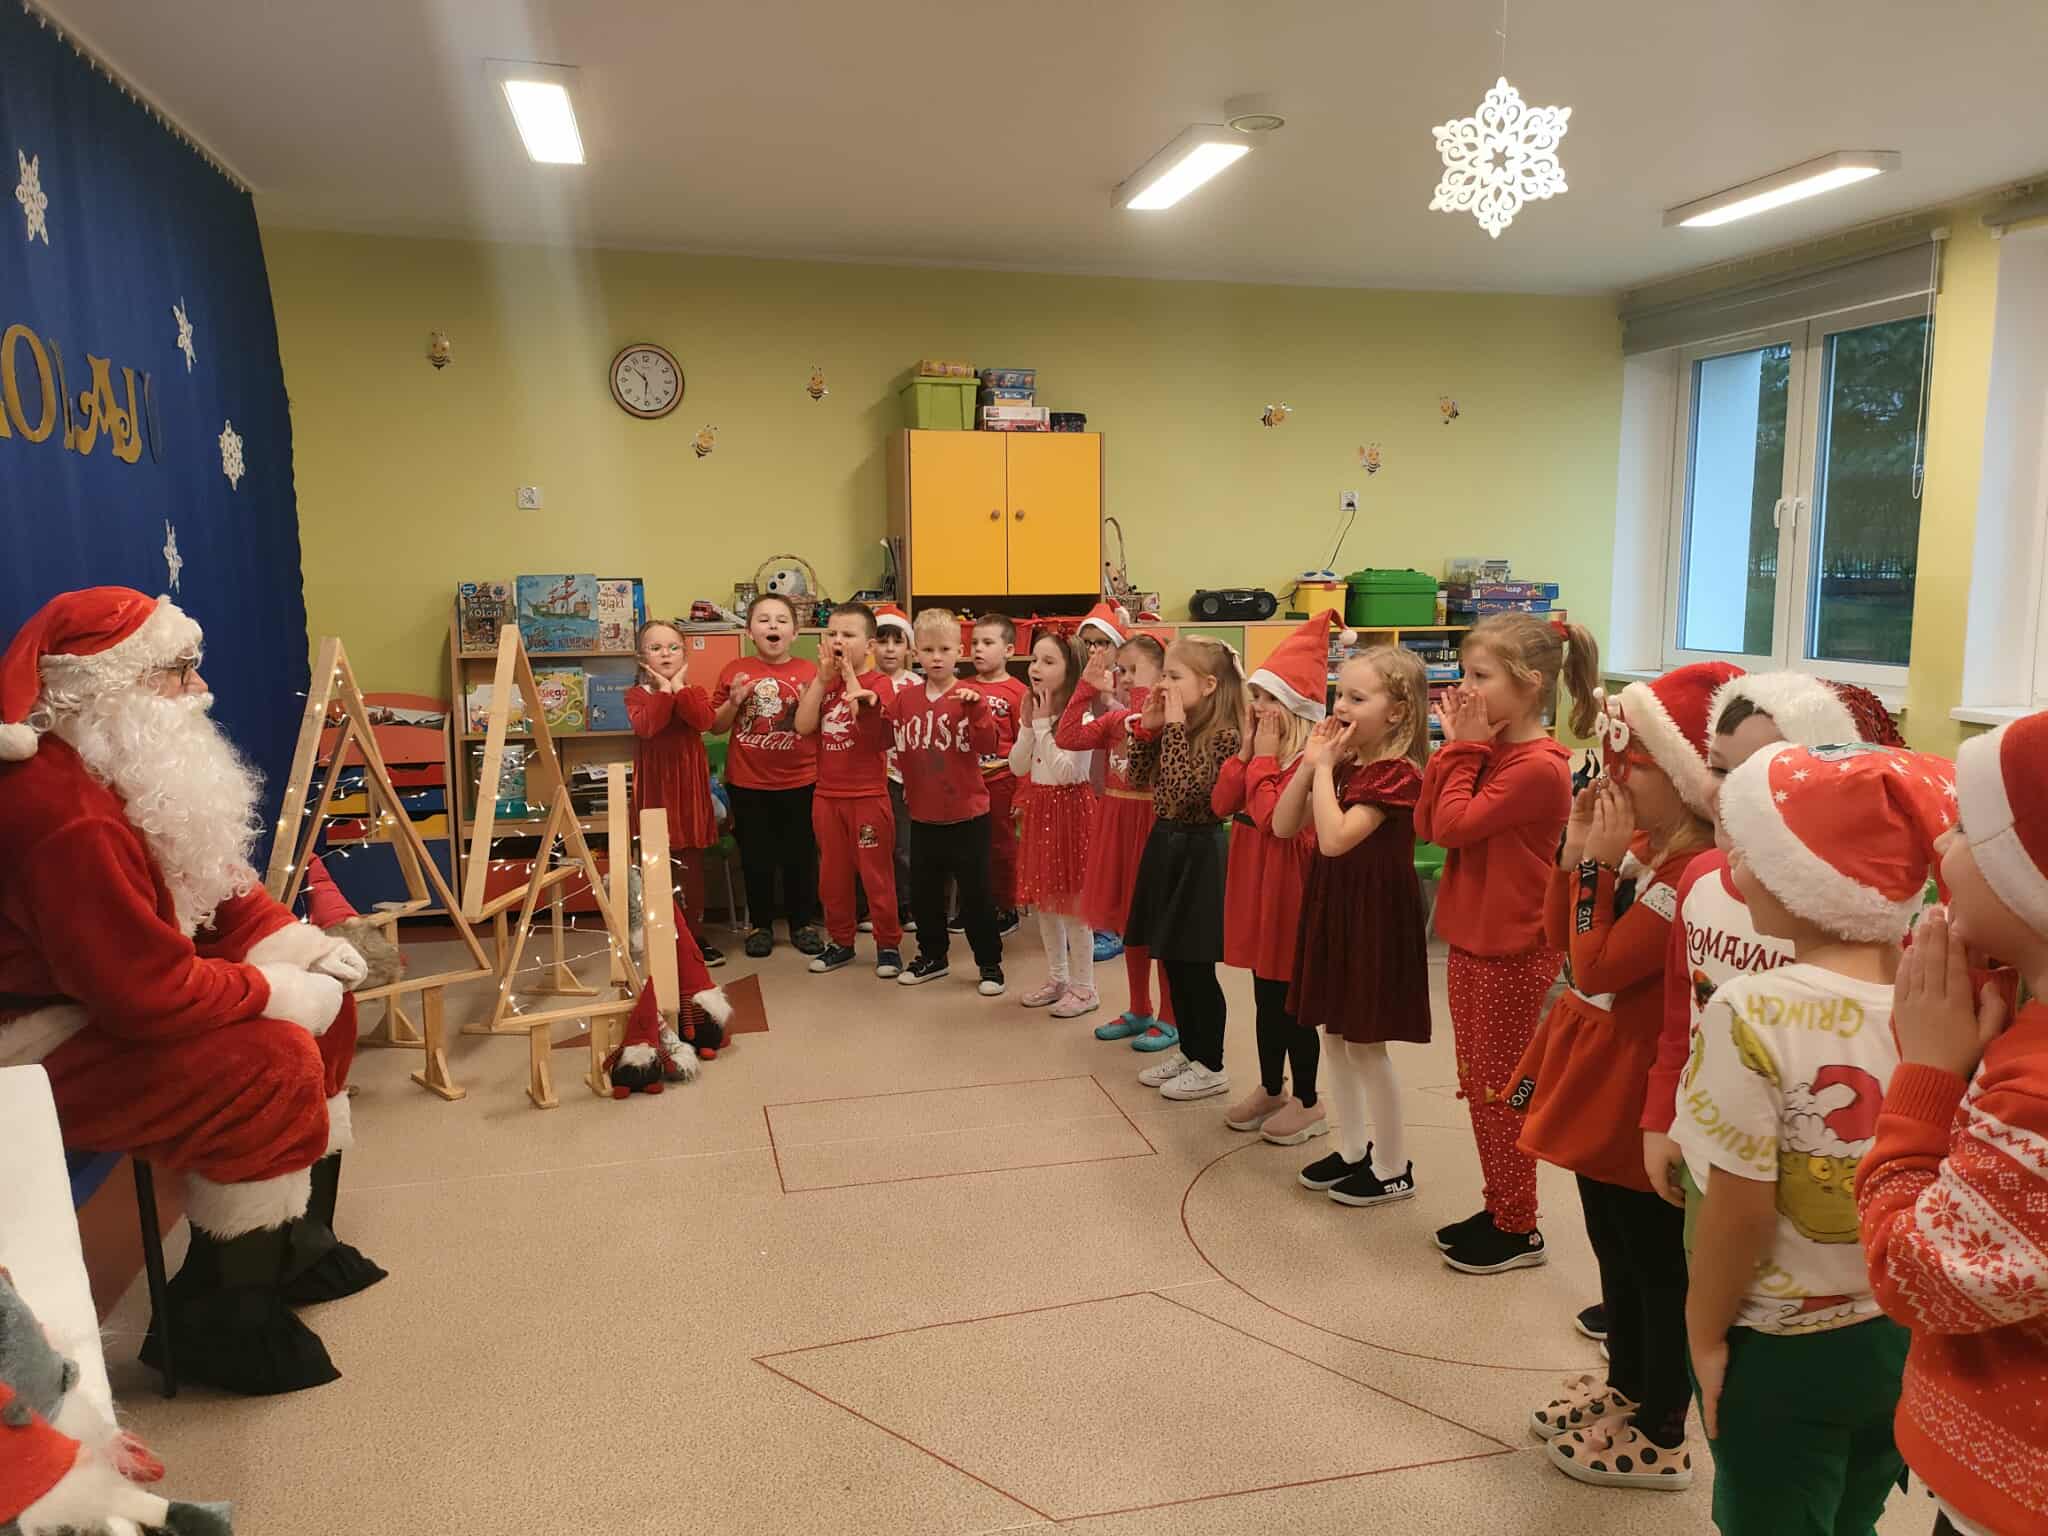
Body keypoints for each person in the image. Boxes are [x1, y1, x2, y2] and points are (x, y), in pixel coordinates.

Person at [0, 587, 382, 1395]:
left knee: (331, 1002)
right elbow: (143, 995)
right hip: (36, 1042)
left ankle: (292, 1243)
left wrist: (305, 952)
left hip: (113, 998)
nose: (199, 689)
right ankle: (217, 1318)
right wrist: (272, 992)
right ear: (104, 691)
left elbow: (226, 893)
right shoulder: (65, 815)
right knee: (266, 1063)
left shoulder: (127, 768)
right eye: (176, 672)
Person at [1670, 740, 1950, 1530]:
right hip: (1902, 1337)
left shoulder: (1749, 1011)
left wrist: (1702, 1333)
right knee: (1857, 1516)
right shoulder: (1942, 1003)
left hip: (1781, 1349)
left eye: (1756, 854)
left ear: (1804, 878)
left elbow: (1739, 1211)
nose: (1737, 868)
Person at [1520, 662, 1736, 1489]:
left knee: (1652, 1262)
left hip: (1641, 1088)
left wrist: (1597, 869)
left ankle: (1662, 1424)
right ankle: (1627, 1383)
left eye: (1629, 767)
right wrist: (1577, 854)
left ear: (1681, 779)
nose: (1609, 782)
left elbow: (1597, 963)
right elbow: (1559, 940)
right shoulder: (1645, 849)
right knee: (1610, 1241)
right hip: (1602, 1074)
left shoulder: (1689, 874)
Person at [1859, 711, 2048, 1536]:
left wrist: (1927, 1081)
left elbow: (1914, 1273)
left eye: (1970, 827)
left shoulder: (2037, 1096)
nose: (1942, 844)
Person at [1645, 675, 1903, 1210]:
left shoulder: (1849, 914)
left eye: (1759, 772)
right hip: (1706, 1144)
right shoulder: (1698, 878)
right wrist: (1662, 1115)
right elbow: (1680, 1017)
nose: (1726, 792)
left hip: (1824, 1165)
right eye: (1719, 768)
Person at [1417, 613, 1589, 1273]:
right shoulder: (1488, 751)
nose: (1465, 688)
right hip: (1473, 941)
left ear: (1530, 684)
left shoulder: (1540, 767)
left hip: (1512, 949)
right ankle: (1499, 1206)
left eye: (1481, 676)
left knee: (1501, 1090)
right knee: (1478, 1082)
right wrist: (1458, 750)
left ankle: (1519, 1226)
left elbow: (1453, 827)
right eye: (1465, 672)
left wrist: (1460, 750)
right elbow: (1428, 822)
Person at [1280, 646, 1433, 1202]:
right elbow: (1283, 824)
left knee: (1366, 1044)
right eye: (1339, 694)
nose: (1340, 706)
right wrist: (1310, 765)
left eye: (1357, 698)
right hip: (1335, 906)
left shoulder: (1397, 774)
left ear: (1397, 712)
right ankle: (1351, 1150)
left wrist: (1324, 770)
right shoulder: (1344, 764)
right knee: (1336, 1036)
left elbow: (1335, 839)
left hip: (1374, 915)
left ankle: (1392, 1165)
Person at [1217, 613, 1332, 1146]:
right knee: (1264, 993)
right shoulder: (1261, 757)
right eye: (1256, 698)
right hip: (1254, 882)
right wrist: (1245, 753)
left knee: (1290, 999)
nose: (1258, 708)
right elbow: (1222, 802)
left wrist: (1260, 760)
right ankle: (1270, 1088)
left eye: (1269, 700)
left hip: (1288, 888)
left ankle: (1308, 1100)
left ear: (1296, 710)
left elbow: (1271, 819)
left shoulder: (1307, 764)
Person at [1125, 637, 1244, 1101]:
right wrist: (1148, 731)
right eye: (1164, 675)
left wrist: (1172, 728)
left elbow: (1186, 794)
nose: (1164, 684)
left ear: (1209, 684)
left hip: (1199, 850)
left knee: (1196, 965)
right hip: (1166, 843)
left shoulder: (1225, 736)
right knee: (1172, 959)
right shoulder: (1179, 729)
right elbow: (1137, 780)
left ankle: (1211, 1064)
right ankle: (1190, 1051)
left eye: (1174, 676)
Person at [1059, 631, 1176, 1046]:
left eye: (1134, 670)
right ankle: (1139, 1008)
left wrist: (1149, 690)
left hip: (1153, 826)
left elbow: (1147, 724)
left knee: (1159, 925)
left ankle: (1171, 1015)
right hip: (1117, 825)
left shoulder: (1170, 723)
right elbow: (1067, 737)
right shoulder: (1114, 722)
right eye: (1121, 670)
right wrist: (1085, 689)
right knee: (1132, 923)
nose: (1124, 678)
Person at [888, 608, 1005, 995]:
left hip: (968, 816)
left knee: (976, 896)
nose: (936, 657)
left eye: (944, 649)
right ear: (915, 654)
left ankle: (989, 963)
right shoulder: (904, 700)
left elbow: (988, 745)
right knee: (924, 895)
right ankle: (933, 956)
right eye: (927, 650)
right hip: (923, 816)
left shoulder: (971, 695)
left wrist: (978, 711)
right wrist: (867, 709)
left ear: (960, 651)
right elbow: (881, 740)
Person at [711, 593, 822, 959]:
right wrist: (734, 701)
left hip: (802, 780)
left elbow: (818, 726)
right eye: (763, 619)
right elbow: (716, 726)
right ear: (749, 631)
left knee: (800, 856)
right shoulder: (735, 670)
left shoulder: (811, 673)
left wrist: (810, 700)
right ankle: (760, 925)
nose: (773, 625)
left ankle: (802, 924)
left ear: (795, 632)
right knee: (756, 857)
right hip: (748, 783)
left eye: (781, 620)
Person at [794, 602, 901, 978]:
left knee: (876, 875)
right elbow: (803, 726)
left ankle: (888, 944)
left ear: (869, 645)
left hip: (868, 796)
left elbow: (867, 727)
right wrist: (822, 680)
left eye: (848, 635)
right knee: (832, 876)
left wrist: (850, 676)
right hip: (827, 796)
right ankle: (840, 941)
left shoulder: (880, 684)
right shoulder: (823, 683)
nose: (838, 641)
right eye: (832, 634)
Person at [626, 618, 724, 967]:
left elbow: (703, 720)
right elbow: (648, 726)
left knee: (692, 870)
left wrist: (679, 688)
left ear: (684, 654)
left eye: (673, 647)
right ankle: (663, 934)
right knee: (656, 867)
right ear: (642, 658)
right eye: (656, 648)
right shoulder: (637, 695)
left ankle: (695, 936)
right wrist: (665, 692)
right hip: (655, 795)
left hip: (689, 795)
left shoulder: (693, 691)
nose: (666, 654)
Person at [1009, 633, 1097, 1016]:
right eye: (1034, 660)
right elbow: (1017, 766)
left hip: (1071, 813)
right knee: (1045, 903)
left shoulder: (1083, 718)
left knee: (1074, 909)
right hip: (1041, 810)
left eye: (1048, 662)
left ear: (1070, 670)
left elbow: (1067, 773)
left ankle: (1085, 989)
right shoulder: (1035, 711)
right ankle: (1058, 978)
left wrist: (1043, 727)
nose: (1036, 668)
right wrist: (1029, 727)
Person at [968, 616, 1027, 937]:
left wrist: (1022, 792)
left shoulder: (1018, 693)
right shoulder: (962, 688)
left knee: (1002, 848)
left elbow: (1026, 747)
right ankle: (975, 906)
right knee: (969, 849)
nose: (978, 649)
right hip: (966, 783)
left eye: (987, 643)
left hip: (1002, 780)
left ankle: (1007, 907)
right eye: (974, 642)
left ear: (1009, 650)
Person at [867, 603, 917, 937]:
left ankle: (905, 904)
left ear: (909, 648)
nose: (889, 649)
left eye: (897, 641)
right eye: (882, 641)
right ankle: (870, 907)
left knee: (903, 846)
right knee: (870, 844)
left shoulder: (915, 684)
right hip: (869, 777)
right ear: (871, 645)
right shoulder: (865, 682)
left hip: (902, 777)